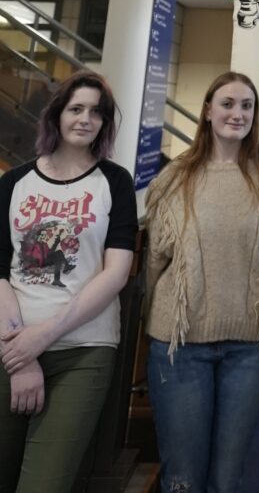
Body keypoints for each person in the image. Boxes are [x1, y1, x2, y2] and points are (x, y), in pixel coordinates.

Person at [144, 71, 259, 493]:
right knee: (182, 478)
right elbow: (155, 260)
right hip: (180, 346)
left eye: (247, 106)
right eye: (227, 103)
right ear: (207, 111)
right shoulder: (174, 177)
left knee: (227, 480)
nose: (238, 113)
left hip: (248, 348)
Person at [0, 70, 138, 492]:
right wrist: (21, 351)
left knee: (43, 484)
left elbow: (116, 273)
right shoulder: (13, 183)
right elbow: (0, 273)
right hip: (10, 348)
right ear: (57, 115)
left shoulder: (115, 182)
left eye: (97, 112)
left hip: (84, 350)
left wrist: (43, 337)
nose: (86, 119)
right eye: (76, 109)